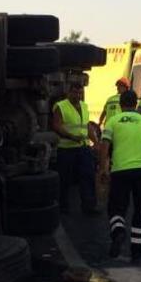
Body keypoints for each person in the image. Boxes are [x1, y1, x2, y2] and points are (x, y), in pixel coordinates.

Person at [98, 90, 141, 261]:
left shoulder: (113, 121)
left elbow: (104, 146)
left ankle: (118, 231)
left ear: (120, 104)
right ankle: (136, 250)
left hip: (120, 171)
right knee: (139, 210)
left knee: (116, 207)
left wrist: (103, 168)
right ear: (136, 103)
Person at [52, 83, 97, 214]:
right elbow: (56, 125)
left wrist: (96, 142)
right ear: (69, 92)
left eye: (80, 93)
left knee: (88, 176)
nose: (78, 95)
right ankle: (63, 207)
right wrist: (71, 136)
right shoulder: (60, 106)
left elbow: (87, 126)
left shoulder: (84, 106)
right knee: (65, 179)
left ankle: (89, 206)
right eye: (75, 92)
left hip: (83, 147)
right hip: (66, 148)